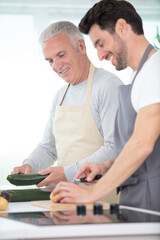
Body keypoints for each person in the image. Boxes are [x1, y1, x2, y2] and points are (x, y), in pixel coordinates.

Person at [51, 0, 160, 211]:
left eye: (101, 43)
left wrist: (92, 193)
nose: (100, 56)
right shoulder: (139, 75)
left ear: (122, 27)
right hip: (136, 195)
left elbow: (142, 144)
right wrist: (106, 165)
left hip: (152, 198)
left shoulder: (155, 70)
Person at [12, 21, 122, 187]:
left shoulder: (108, 86)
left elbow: (115, 147)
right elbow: (49, 148)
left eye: (61, 55)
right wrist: (30, 165)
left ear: (81, 47)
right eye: (50, 60)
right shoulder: (60, 96)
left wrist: (67, 173)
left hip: (99, 196)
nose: (56, 66)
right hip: (65, 195)